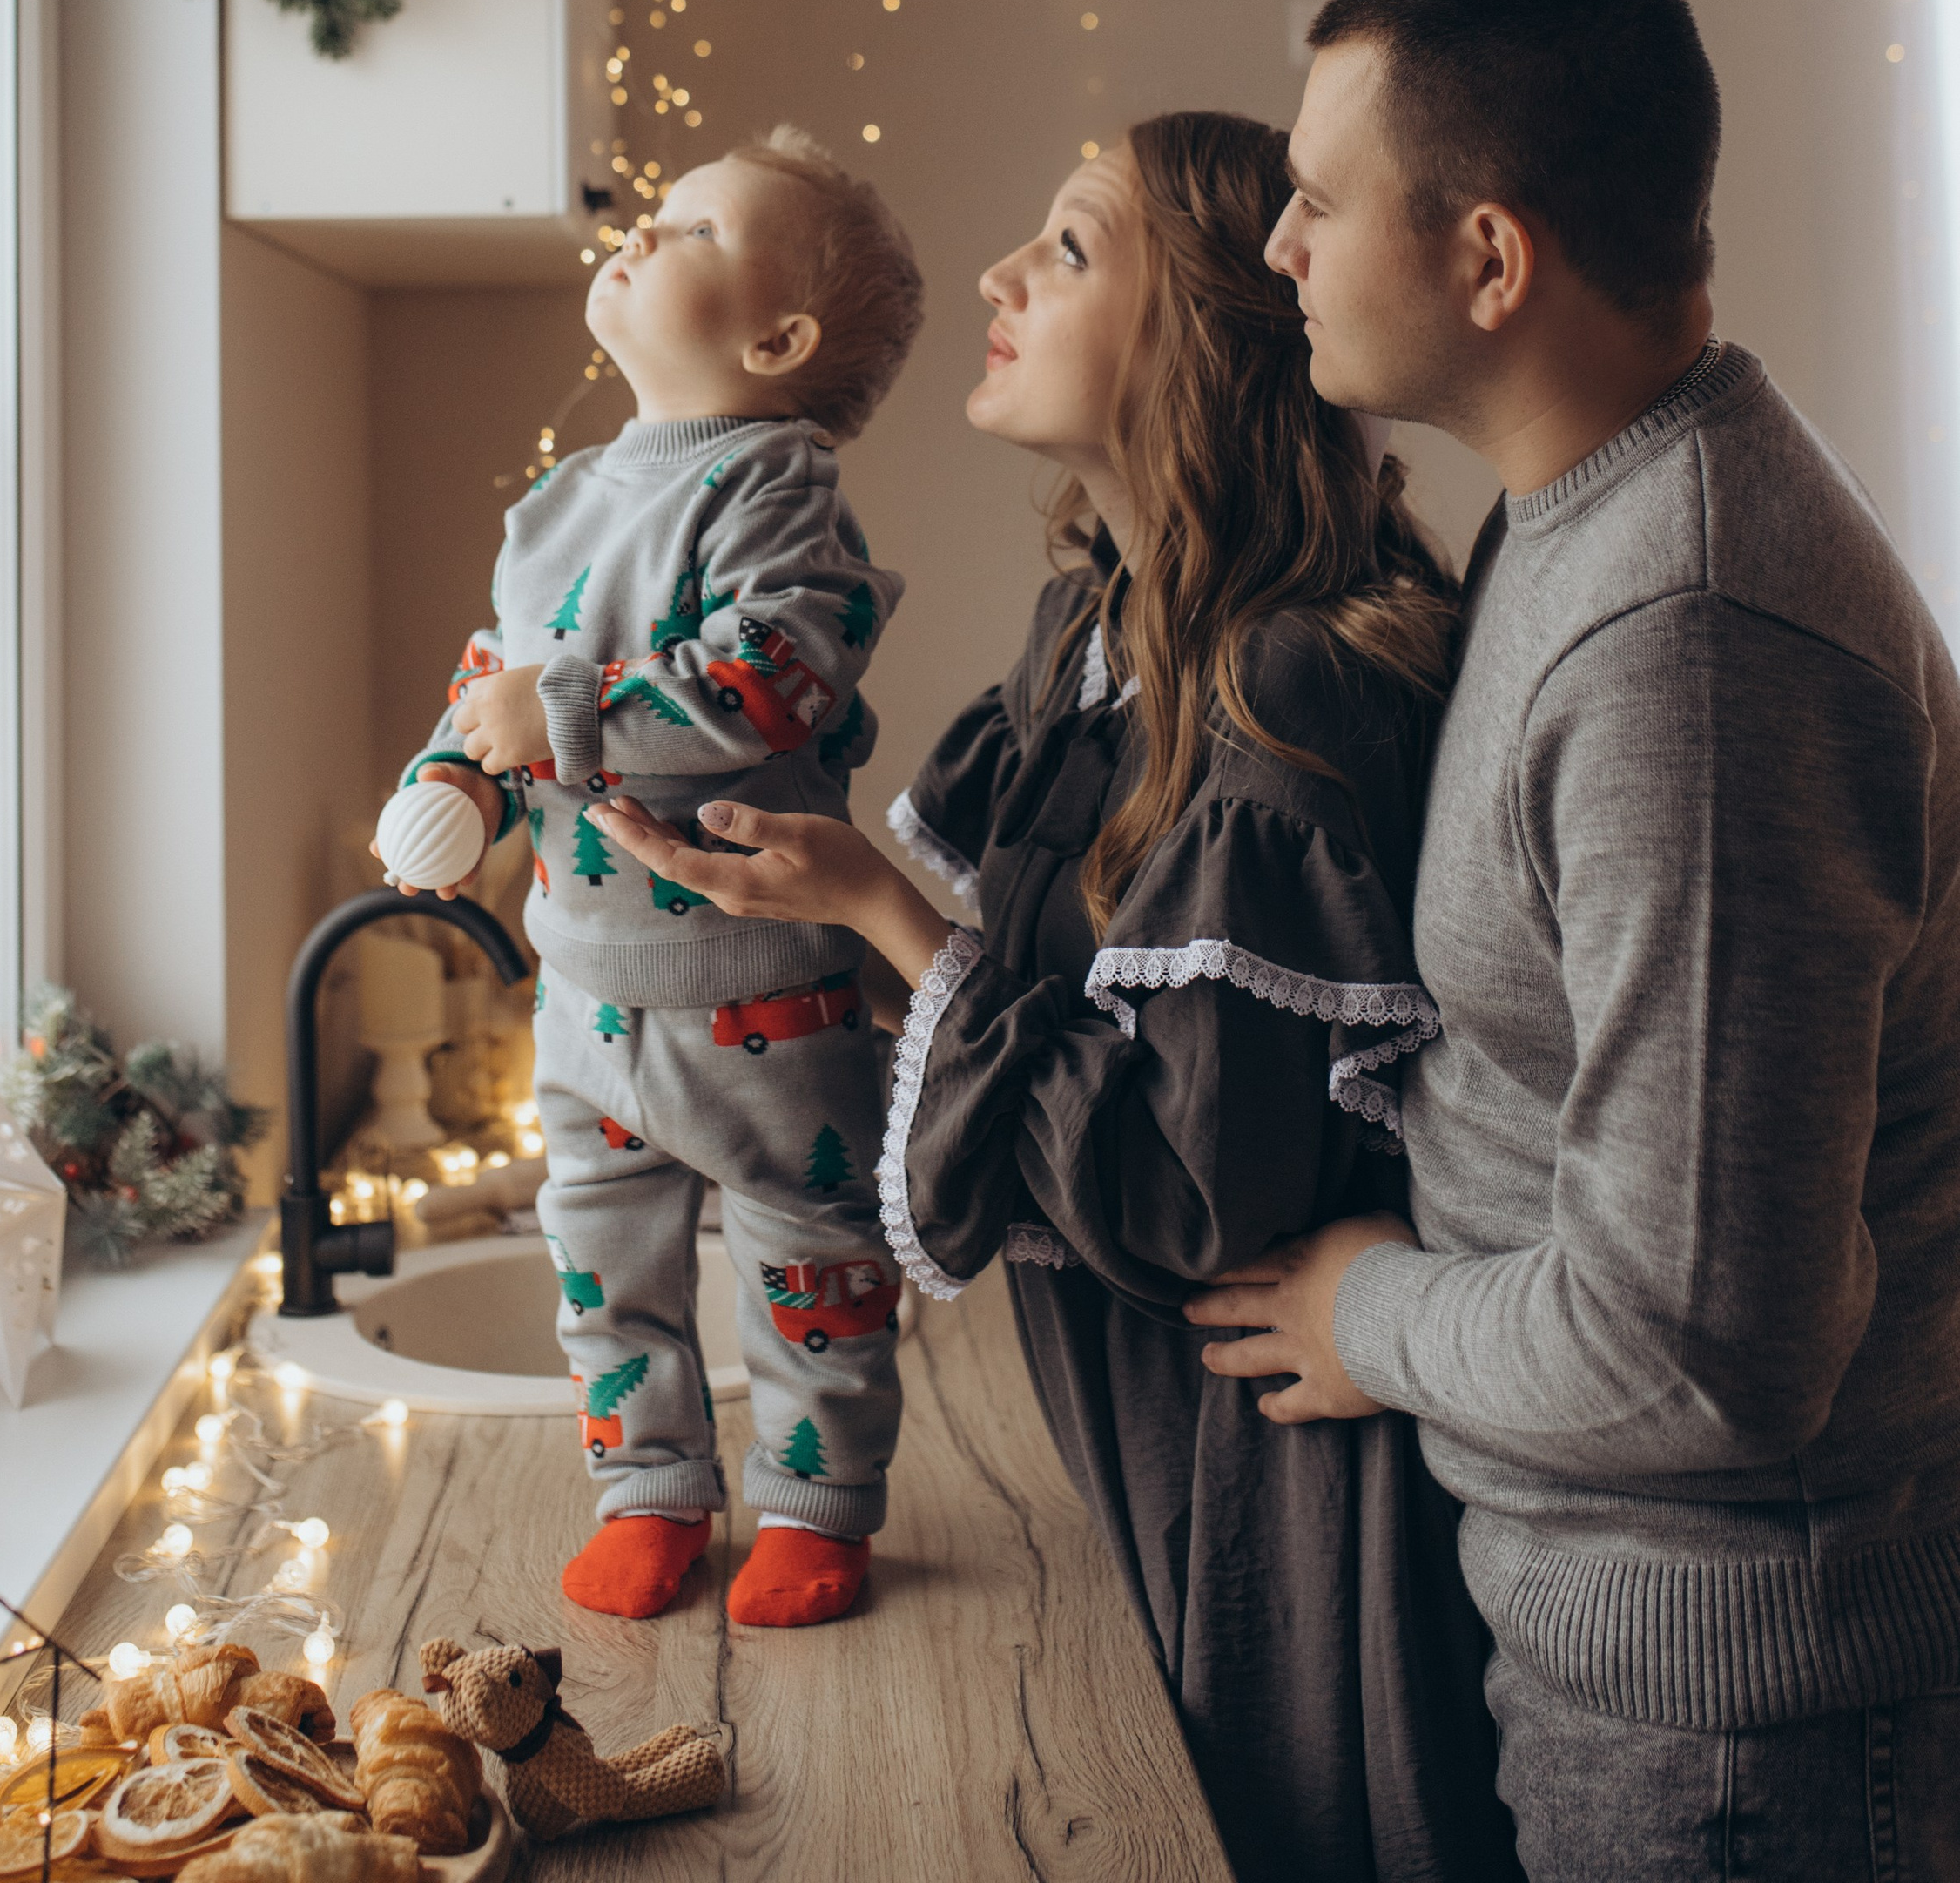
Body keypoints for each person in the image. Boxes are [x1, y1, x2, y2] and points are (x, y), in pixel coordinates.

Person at [596, 113, 1523, 1883]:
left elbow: (1185, 1189)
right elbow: (1028, 1013)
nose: (1003, 281)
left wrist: (873, 903)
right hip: (1137, 1415)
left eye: (1071, 251)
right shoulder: (1090, 635)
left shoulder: (1279, 685)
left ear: (1209, 338)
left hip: (1269, 1459)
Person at [1196, 0, 1960, 1880]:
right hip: (1641, 1666)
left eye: (1314, 198)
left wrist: (1372, 1316)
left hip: (1740, 1736)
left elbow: (1699, 1347)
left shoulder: (1689, 646)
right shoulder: (1578, 511)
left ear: (1484, 256)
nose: (1275, 248)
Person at [380, 125, 925, 1632]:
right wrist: (453, 777)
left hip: (759, 992)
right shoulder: (557, 503)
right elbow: (492, 675)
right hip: (585, 997)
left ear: (778, 338)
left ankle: (818, 1507)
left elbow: (766, 686)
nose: (640, 232)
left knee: (811, 1264)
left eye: (690, 231)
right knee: (602, 1272)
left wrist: (546, 716)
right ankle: (654, 1494)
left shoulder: (776, 483)